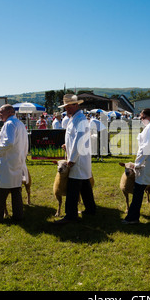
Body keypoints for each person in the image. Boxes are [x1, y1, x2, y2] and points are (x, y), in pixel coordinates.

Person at [55, 94, 97, 224]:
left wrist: (72, 158)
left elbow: (79, 140)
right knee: (85, 185)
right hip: (79, 157)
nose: (66, 109)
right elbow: (73, 138)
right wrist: (66, 145)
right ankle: (91, 209)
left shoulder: (80, 119)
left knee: (73, 189)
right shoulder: (75, 118)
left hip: (77, 159)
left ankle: (71, 215)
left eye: (69, 106)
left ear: (76, 105)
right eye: (65, 107)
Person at [0, 104, 29, 224]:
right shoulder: (20, 124)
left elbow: (9, 142)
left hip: (8, 161)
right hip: (18, 160)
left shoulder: (9, 124)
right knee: (16, 189)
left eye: (1, 112)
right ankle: (18, 215)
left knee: (0, 190)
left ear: (10, 112)